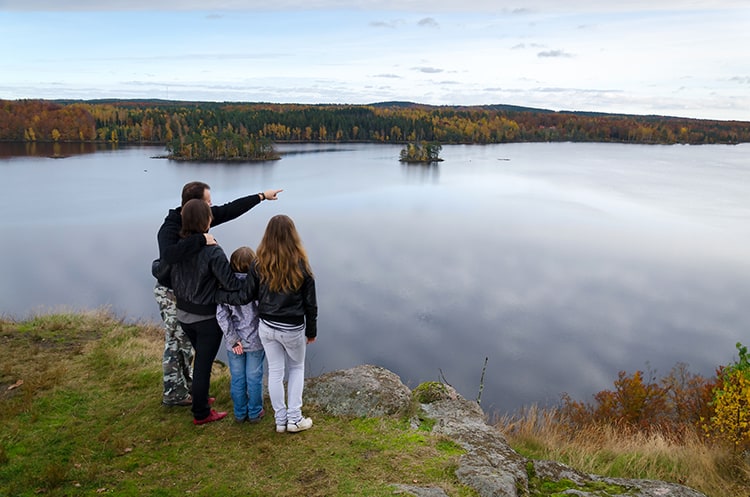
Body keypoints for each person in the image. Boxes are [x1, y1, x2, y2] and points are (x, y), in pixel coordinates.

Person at [154, 181, 282, 407]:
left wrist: (261, 196)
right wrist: (201, 240)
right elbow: (169, 255)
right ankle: (176, 394)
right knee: (177, 346)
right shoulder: (172, 225)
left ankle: (193, 394)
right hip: (173, 294)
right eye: (208, 202)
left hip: (191, 296)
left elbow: (229, 210)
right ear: (194, 205)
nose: (212, 207)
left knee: (193, 350)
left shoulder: (196, 218)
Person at [170, 199, 253, 425]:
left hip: (183, 314)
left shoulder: (177, 248)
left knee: (201, 360)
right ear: (205, 220)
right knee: (203, 366)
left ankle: (200, 396)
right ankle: (201, 413)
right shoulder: (212, 251)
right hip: (205, 318)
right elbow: (231, 285)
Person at [249, 214, 317, 433]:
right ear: (292, 235)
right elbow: (310, 304)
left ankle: (280, 421)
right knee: (296, 368)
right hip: (292, 328)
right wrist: (312, 330)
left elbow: (249, 293)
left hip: (267, 326)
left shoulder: (259, 263)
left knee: (276, 372)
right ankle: (294, 419)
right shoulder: (301, 264)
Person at [217, 246, 266, 424]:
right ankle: (255, 412)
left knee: (237, 378)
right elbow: (264, 312)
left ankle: (239, 413)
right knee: (254, 378)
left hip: (234, 344)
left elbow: (222, 316)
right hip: (256, 341)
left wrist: (233, 339)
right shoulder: (259, 286)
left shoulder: (224, 287)